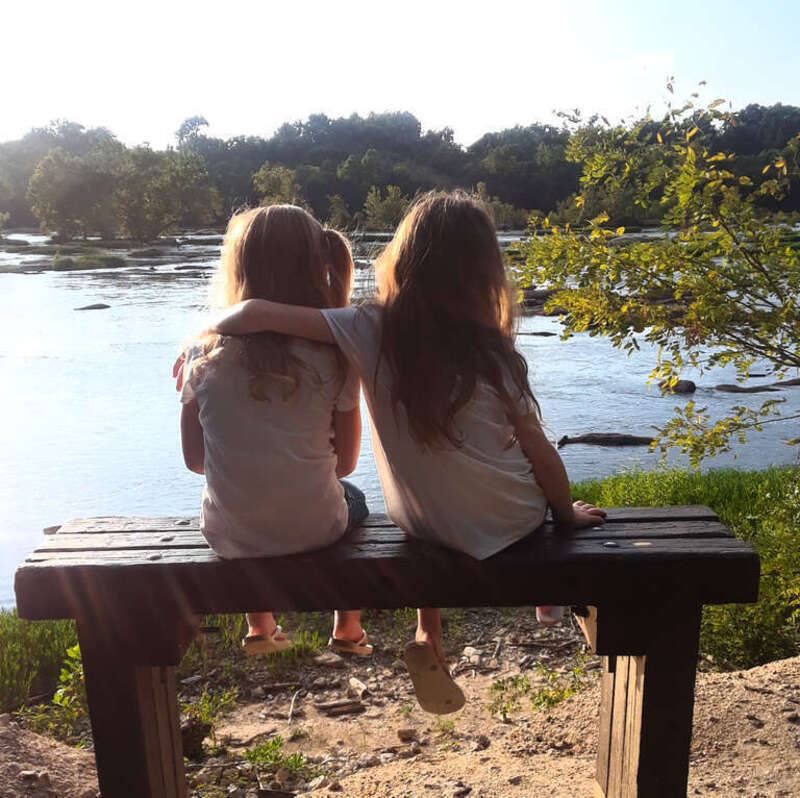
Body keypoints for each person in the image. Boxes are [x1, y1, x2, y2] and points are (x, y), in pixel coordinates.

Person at [182, 191, 605, 712]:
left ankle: (428, 633)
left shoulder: (366, 327)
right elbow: (537, 448)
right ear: (486, 276)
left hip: (421, 523)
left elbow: (257, 314)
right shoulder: (492, 352)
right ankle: (544, 598)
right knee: (512, 493)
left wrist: (205, 332)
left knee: (429, 506)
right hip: (510, 524)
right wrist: (564, 513)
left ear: (400, 261)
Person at [178, 205, 372, 658]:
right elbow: (344, 463)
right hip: (318, 528)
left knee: (238, 497)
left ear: (239, 269)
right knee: (353, 495)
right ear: (314, 266)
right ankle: (347, 627)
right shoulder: (335, 358)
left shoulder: (202, 357)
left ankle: (260, 628)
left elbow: (194, 461)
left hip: (229, 535)